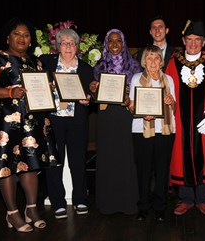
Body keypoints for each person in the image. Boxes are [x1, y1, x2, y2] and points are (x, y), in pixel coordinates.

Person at [0, 17, 59, 232]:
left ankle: (31, 209)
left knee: (30, 165)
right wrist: (9, 92)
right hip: (6, 123)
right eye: (17, 34)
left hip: (32, 122)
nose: (22, 38)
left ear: (30, 40)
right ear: (8, 37)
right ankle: (12, 213)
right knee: (8, 167)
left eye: (26, 35)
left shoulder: (36, 62)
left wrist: (47, 89)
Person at [165, 20, 205, 216]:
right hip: (180, 120)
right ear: (183, 40)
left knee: (204, 156)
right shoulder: (174, 61)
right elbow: (167, 91)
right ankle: (186, 199)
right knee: (181, 156)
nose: (193, 44)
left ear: (204, 41)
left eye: (198, 40)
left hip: (204, 120)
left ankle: (202, 199)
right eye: (189, 40)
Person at [39, 28, 93, 219]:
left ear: (77, 46)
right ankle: (58, 202)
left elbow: (91, 94)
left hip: (77, 120)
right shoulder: (46, 62)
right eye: (64, 43)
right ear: (58, 46)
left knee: (78, 161)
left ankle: (80, 200)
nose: (68, 46)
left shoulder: (86, 69)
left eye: (72, 43)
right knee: (55, 163)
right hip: (53, 119)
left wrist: (88, 99)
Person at [89, 28, 141, 214]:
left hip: (125, 115)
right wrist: (93, 88)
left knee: (125, 157)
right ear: (106, 44)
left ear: (124, 42)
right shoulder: (99, 66)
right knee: (107, 157)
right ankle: (107, 204)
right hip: (106, 117)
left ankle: (127, 203)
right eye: (110, 41)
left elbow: (139, 93)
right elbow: (93, 97)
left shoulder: (134, 66)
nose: (115, 45)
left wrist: (130, 98)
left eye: (118, 41)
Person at [130, 45, 176, 221]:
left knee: (162, 170)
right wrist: (142, 112)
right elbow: (132, 106)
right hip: (141, 130)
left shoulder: (169, 80)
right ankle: (143, 206)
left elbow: (175, 107)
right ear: (144, 61)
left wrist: (171, 101)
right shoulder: (136, 79)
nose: (153, 62)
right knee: (143, 170)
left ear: (161, 61)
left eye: (156, 58)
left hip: (164, 131)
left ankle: (160, 207)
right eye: (149, 58)